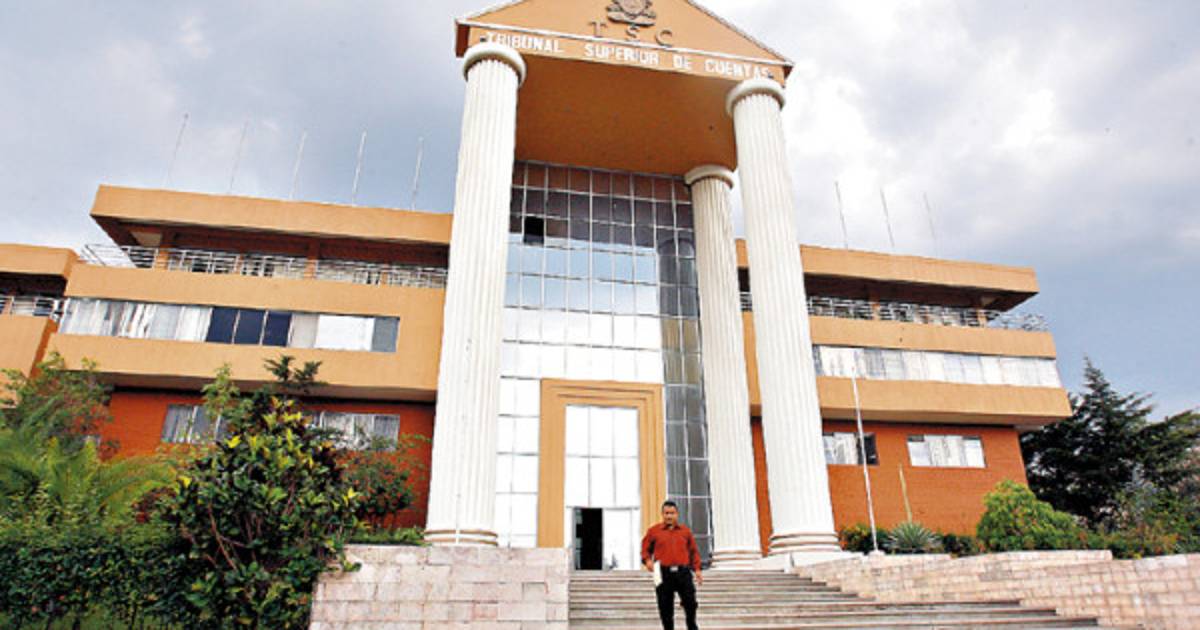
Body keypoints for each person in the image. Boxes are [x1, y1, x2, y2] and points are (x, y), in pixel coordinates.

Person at [641, 501, 702, 630]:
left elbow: (693, 552)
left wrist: (697, 569)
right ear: (662, 514)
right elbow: (645, 549)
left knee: (690, 602)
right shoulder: (654, 531)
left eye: (672, 513)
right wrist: (647, 561)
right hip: (663, 573)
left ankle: (692, 625)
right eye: (666, 513)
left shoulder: (685, 531)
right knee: (665, 607)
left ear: (677, 514)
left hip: (683, 572)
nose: (669, 516)